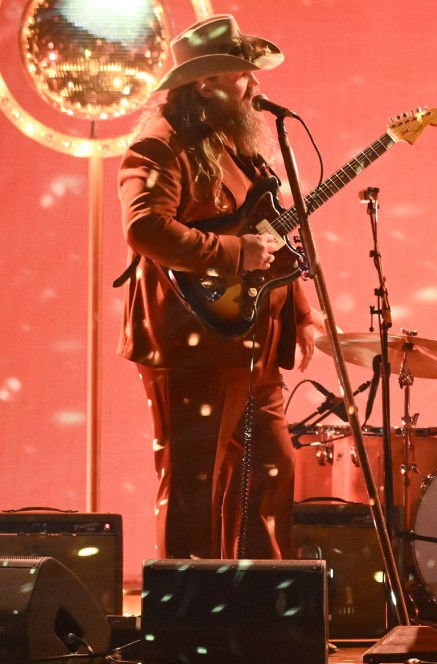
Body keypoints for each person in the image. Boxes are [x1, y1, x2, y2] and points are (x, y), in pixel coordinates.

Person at [116, 14, 318, 560]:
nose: (254, 85)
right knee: (194, 489)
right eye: (241, 75)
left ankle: (257, 612)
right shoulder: (159, 145)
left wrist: (301, 313)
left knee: (273, 472)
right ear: (205, 83)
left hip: (254, 342)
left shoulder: (239, 147)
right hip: (191, 344)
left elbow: (269, 236)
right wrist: (233, 252)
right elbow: (144, 227)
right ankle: (189, 625)